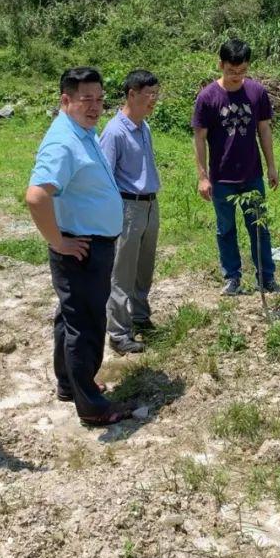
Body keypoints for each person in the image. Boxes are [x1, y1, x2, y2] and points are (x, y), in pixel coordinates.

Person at [26, 67, 134, 426]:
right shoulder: (63, 142)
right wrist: (58, 242)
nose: (95, 106)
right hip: (82, 249)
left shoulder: (82, 132)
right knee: (85, 323)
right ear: (66, 100)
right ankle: (91, 405)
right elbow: (37, 196)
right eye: (86, 99)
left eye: (100, 99)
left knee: (71, 317)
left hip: (89, 245)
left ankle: (70, 383)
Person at [192, 38, 280, 296]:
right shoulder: (208, 97)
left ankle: (267, 278)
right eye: (231, 71)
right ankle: (232, 278)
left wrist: (271, 166)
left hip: (252, 174)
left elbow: (264, 130)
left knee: (259, 228)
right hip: (221, 178)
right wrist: (203, 176)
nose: (236, 77)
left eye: (242, 71)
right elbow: (199, 138)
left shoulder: (257, 92)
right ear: (220, 65)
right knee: (226, 229)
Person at [99, 69, 161, 356]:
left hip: (149, 204)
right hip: (128, 207)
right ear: (132, 94)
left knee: (143, 267)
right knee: (122, 271)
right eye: (149, 96)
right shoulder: (114, 131)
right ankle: (119, 332)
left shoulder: (143, 127)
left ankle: (139, 316)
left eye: (155, 95)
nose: (153, 101)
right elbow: (104, 176)